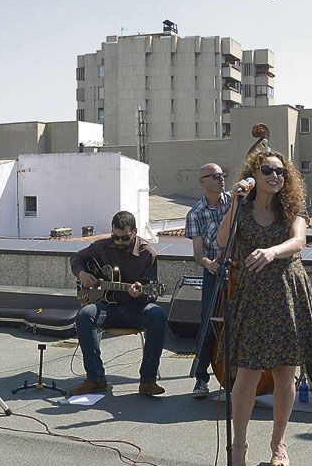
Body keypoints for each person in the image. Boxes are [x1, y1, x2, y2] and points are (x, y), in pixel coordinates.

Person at [217, 151, 312, 466]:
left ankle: (279, 443)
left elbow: (299, 241)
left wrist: (272, 251)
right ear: (254, 174)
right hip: (253, 297)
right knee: (246, 377)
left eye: (280, 172)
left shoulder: (291, 208)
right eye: (267, 170)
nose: (275, 176)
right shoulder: (242, 208)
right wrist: (235, 202)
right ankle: (238, 447)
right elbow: (221, 240)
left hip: (288, 293)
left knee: (284, 375)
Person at [68, 211, 168, 397]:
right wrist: (82, 274)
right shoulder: (102, 247)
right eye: (116, 238)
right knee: (85, 315)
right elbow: (76, 258)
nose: (119, 242)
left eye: (125, 238)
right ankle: (95, 379)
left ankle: (148, 380)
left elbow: (151, 294)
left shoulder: (148, 254)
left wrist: (140, 292)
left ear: (135, 232)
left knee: (158, 315)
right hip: (108, 307)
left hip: (137, 309)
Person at [185, 162, 231, 399]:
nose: (221, 178)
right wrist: (211, 264)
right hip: (214, 272)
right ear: (202, 181)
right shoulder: (195, 213)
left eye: (223, 174)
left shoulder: (235, 202)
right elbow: (197, 253)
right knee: (208, 323)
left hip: (240, 269)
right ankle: (201, 378)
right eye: (215, 176)